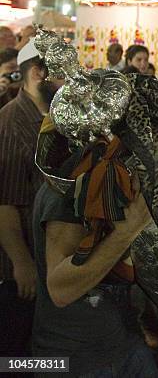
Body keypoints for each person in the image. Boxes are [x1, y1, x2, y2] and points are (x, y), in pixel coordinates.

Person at [31, 172, 158, 376]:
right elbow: (60, 290)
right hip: (76, 359)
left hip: (124, 343)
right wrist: (128, 231)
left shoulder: (110, 176)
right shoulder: (66, 186)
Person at [0, 39, 59, 358]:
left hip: (50, 260)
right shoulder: (11, 122)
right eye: (61, 73)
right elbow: (4, 203)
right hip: (23, 268)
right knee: (15, 353)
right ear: (38, 73)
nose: (69, 81)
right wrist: (21, 263)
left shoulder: (54, 116)